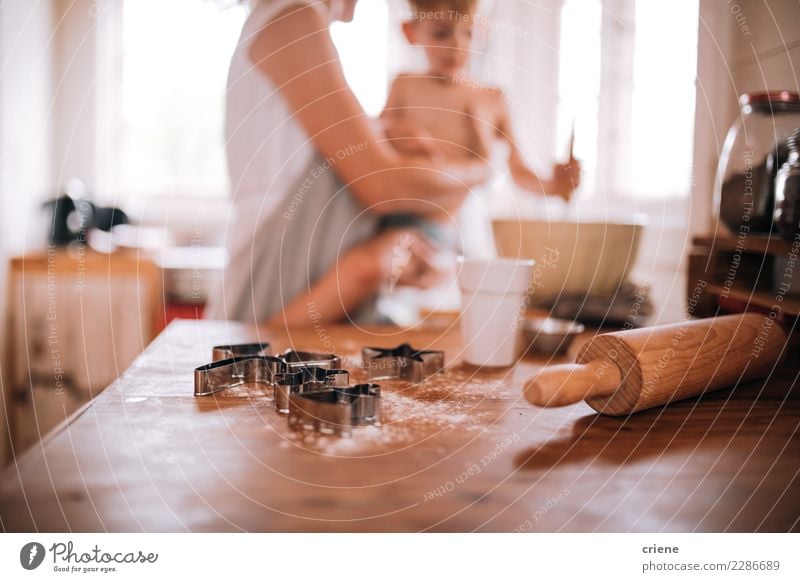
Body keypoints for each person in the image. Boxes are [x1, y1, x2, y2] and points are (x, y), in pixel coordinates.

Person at [205, 0, 491, 328]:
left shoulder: (291, 20)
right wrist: (480, 169)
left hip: (291, 288)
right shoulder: (294, 19)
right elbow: (385, 187)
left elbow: (305, 150)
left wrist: (382, 133)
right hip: (275, 286)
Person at [377, 0, 581, 250]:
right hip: (399, 214)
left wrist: (555, 186)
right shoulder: (404, 86)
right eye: (441, 33)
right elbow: (375, 146)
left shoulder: (491, 99)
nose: (457, 44)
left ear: (482, 31)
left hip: (457, 226)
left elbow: (519, 171)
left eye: (469, 33)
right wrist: (398, 136)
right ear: (410, 32)